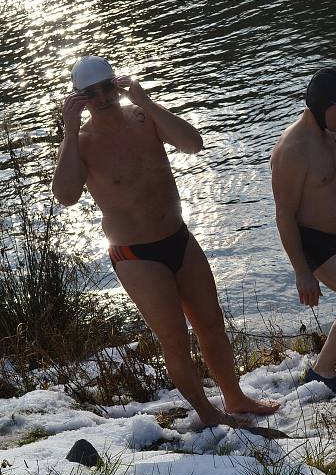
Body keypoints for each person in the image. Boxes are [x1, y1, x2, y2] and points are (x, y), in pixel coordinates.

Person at [52, 55, 279, 426]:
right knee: (175, 339)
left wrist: (146, 101)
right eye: (91, 94)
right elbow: (65, 195)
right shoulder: (82, 142)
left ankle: (234, 398)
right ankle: (207, 413)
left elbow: (194, 143)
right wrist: (68, 129)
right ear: (79, 99)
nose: (103, 97)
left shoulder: (144, 119)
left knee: (211, 323)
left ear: (118, 84)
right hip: (135, 255)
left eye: (108, 87)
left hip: (180, 238)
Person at [270, 68, 336, 396]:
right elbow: (284, 215)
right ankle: (322, 370)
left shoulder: (331, 133)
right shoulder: (293, 150)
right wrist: (302, 272)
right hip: (313, 240)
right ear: (322, 105)